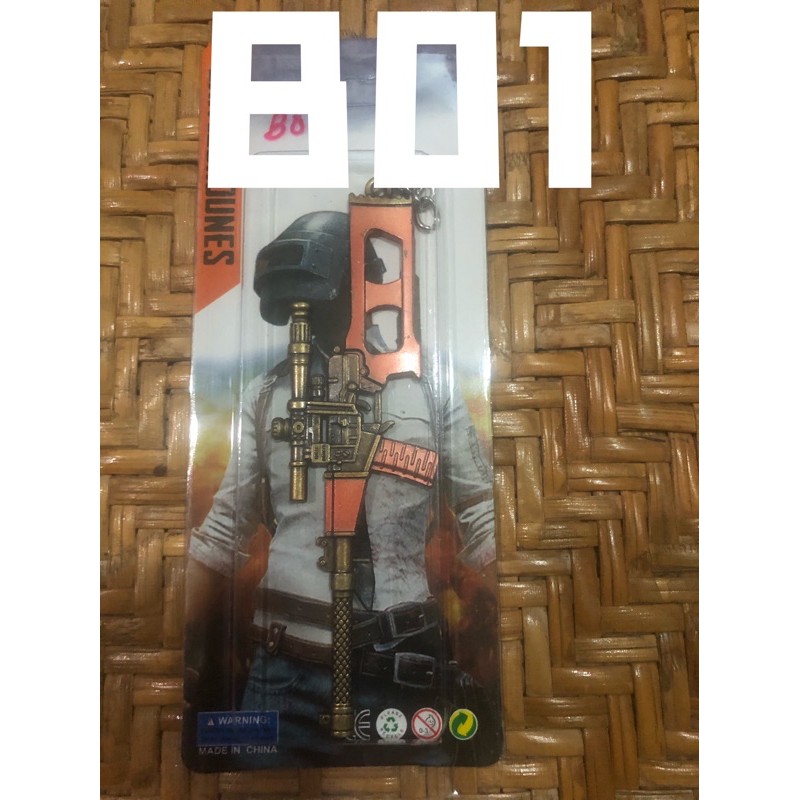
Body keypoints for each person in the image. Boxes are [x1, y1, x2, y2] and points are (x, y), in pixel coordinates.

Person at [183, 209, 500, 770]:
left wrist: (499, 648)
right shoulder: (266, 395)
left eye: (315, 304)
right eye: (295, 309)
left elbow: (480, 515)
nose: (302, 322)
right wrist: (192, 659)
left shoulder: (428, 388)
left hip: (406, 676)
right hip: (282, 678)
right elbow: (222, 533)